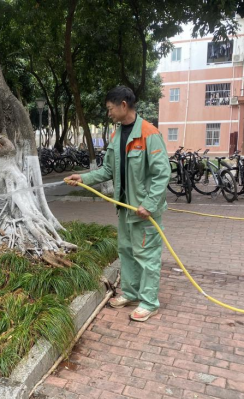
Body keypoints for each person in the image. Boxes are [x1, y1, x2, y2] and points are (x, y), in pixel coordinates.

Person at [66, 86, 170, 322]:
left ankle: (149, 302)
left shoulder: (149, 133)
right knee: (126, 252)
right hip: (125, 209)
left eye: (110, 108)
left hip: (144, 212)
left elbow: (162, 173)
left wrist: (150, 204)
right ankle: (132, 294)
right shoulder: (116, 136)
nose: (108, 113)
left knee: (147, 256)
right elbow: (108, 170)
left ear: (123, 105)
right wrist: (83, 178)